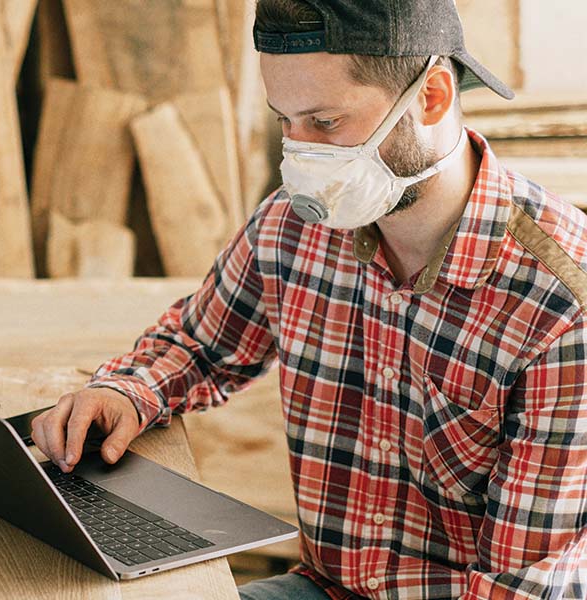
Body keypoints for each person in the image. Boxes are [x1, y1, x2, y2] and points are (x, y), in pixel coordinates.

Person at [30, 1, 587, 597]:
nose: (300, 156)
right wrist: (125, 392)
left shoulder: (559, 308)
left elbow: (517, 587)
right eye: (284, 121)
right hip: (324, 586)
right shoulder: (296, 225)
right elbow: (200, 345)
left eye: (323, 124)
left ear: (432, 97)